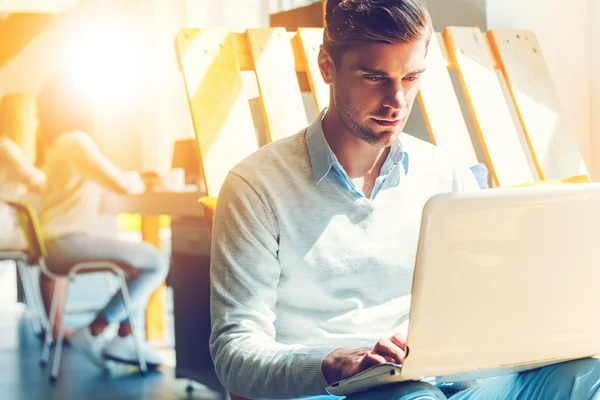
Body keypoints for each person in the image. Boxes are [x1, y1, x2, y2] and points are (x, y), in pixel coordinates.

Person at [208, 1, 600, 399]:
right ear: (327, 65)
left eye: (411, 77)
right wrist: (335, 362)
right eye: (374, 77)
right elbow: (234, 353)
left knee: (586, 372)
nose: (396, 101)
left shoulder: (446, 176)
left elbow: (485, 307)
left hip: (446, 383)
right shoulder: (256, 185)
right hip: (333, 390)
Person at [36, 73, 169, 369]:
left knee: (137, 263)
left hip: (54, 244)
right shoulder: (76, 141)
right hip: (68, 242)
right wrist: (142, 178)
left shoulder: (59, 145)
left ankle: (124, 337)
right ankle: (96, 329)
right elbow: (121, 183)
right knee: (155, 261)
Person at [0, 93, 45, 250]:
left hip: (8, 219)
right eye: (34, 116)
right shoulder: (6, 147)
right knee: (45, 241)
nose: (38, 122)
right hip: (3, 221)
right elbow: (33, 178)